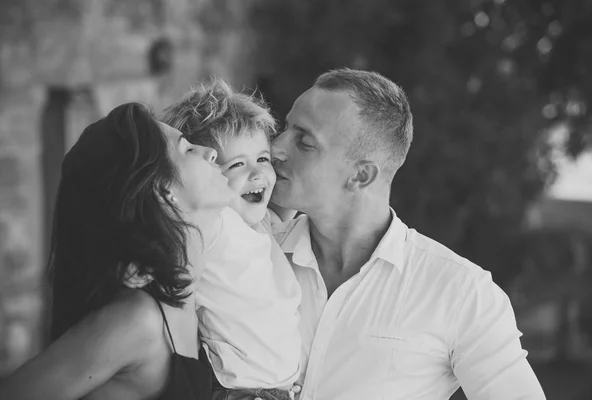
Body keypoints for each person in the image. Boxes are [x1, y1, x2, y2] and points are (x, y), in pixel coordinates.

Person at [269, 68, 547, 400]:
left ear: (361, 175)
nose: (275, 148)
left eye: (304, 141)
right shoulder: (247, 253)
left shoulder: (462, 294)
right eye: (285, 128)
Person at [0, 102, 236, 400]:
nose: (210, 151)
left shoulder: (197, 289)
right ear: (163, 191)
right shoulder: (137, 320)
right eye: (188, 149)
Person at [162, 80, 302, 400]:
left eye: (263, 159)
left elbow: (290, 190)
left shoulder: (263, 223)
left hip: (282, 391)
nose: (256, 174)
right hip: (238, 390)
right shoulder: (214, 221)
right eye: (237, 164)